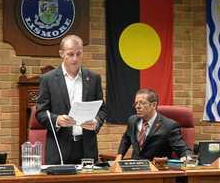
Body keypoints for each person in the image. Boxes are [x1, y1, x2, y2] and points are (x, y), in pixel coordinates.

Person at [36, 34, 107, 165]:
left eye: (78, 54)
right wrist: (57, 120)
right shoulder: (48, 79)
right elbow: (41, 113)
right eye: (70, 54)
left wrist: (96, 122)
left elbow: (102, 109)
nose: (75, 59)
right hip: (59, 148)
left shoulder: (93, 78)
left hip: (87, 148)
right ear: (61, 54)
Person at [115, 88, 191, 162]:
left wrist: (186, 156)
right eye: (136, 103)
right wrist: (119, 156)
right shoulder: (132, 120)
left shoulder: (169, 126)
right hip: (135, 168)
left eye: (142, 103)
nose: (137, 106)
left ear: (154, 105)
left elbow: (182, 149)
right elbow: (126, 138)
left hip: (156, 170)